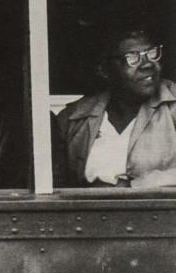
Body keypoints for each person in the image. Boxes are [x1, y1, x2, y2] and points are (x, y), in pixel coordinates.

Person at [54, 27, 176, 188]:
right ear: (105, 70)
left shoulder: (172, 105)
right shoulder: (74, 118)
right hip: (91, 213)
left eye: (152, 53)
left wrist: (137, 186)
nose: (147, 65)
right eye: (132, 58)